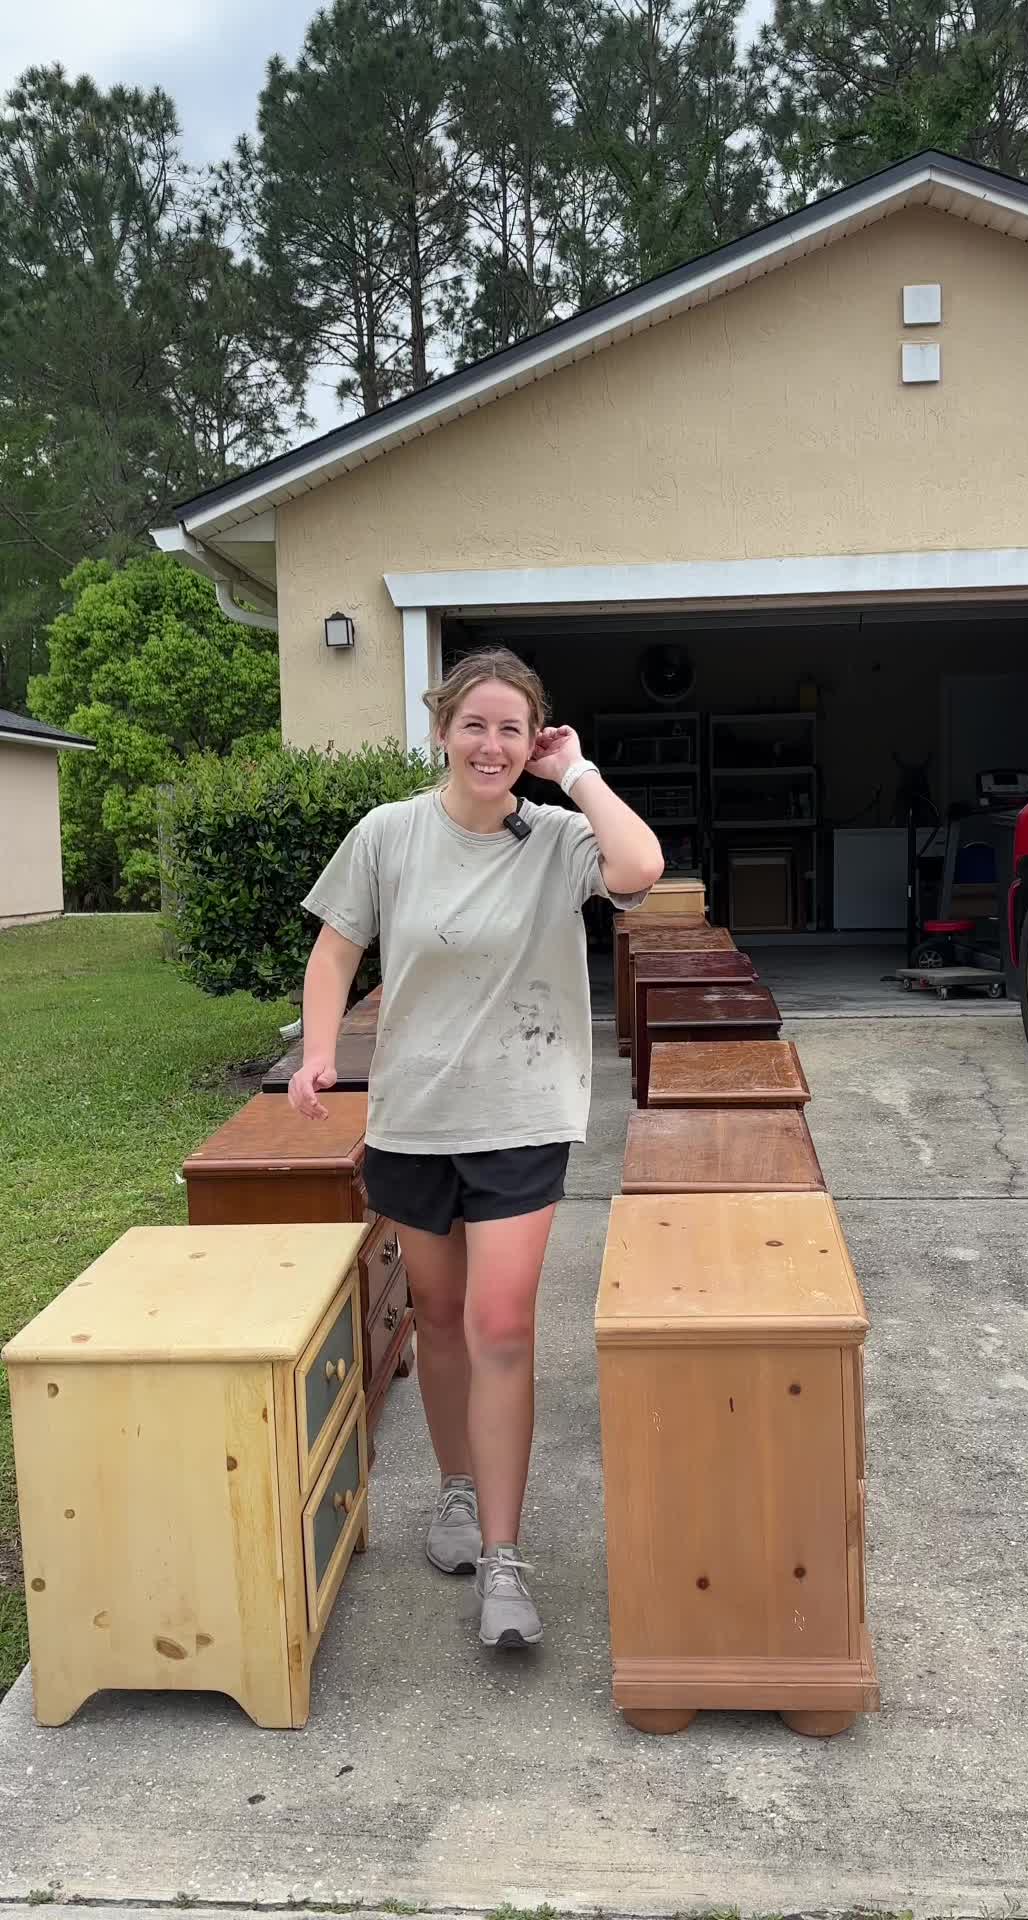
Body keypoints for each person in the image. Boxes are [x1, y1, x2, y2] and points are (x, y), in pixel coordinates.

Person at [288, 648, 664, 1650]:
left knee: (502, 1325)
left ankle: (504, 1559)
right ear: (442, 730)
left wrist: (576, 771)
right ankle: (456, 1493)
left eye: (512, 728)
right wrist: (319, 1053)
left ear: (533, 738)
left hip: (523, 1113)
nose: (491, 745)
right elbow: (335, 948)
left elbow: (642, 870)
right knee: (442, 1321)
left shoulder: (560, 838)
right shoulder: (389, 835)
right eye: (475, 725)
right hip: (413, 1118)